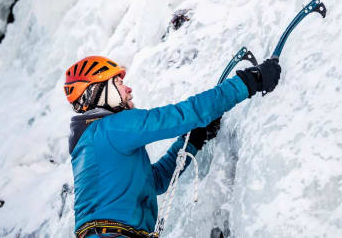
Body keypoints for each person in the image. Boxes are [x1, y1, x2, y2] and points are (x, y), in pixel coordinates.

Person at [64, 55, 281, 237]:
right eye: (119, 84)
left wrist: (195, 139)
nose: (128, 88)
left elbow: (155, 180)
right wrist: (249, 81)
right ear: (98, 92)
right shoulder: (110, 128)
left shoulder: (95, 140)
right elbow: (180, 115)